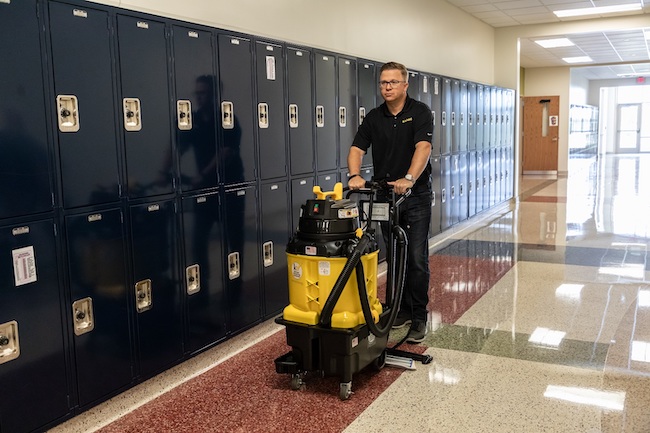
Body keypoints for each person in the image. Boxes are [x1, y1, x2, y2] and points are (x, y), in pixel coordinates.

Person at [347, 61, 432, 343]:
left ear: (405, 85)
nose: (387, 87)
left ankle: (419, 316)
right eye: (383, 82)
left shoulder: (419, 112)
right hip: (384, 196)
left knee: (416, 259)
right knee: (395, 256)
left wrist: (409, 177)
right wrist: (355, 175)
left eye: (393, 82)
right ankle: (400, 309)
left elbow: (424, 147)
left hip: (414, 196)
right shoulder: (374, 117)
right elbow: (357, 148)